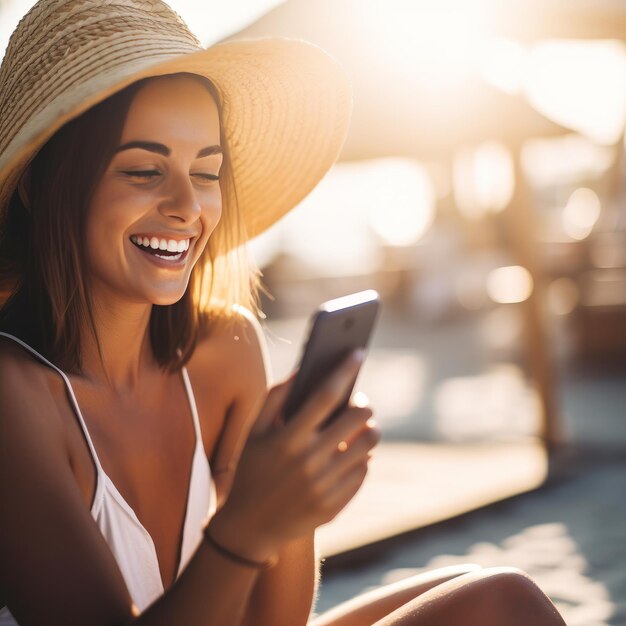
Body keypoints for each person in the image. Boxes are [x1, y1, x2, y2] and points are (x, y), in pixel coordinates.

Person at [0, 1, 567, 625]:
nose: (189, 206)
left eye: (207, 171)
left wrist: (291, 516)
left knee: (505, 600)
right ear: (37, 183)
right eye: (143, 170)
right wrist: (246, 529)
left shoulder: (225, 350)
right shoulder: (16, 397)